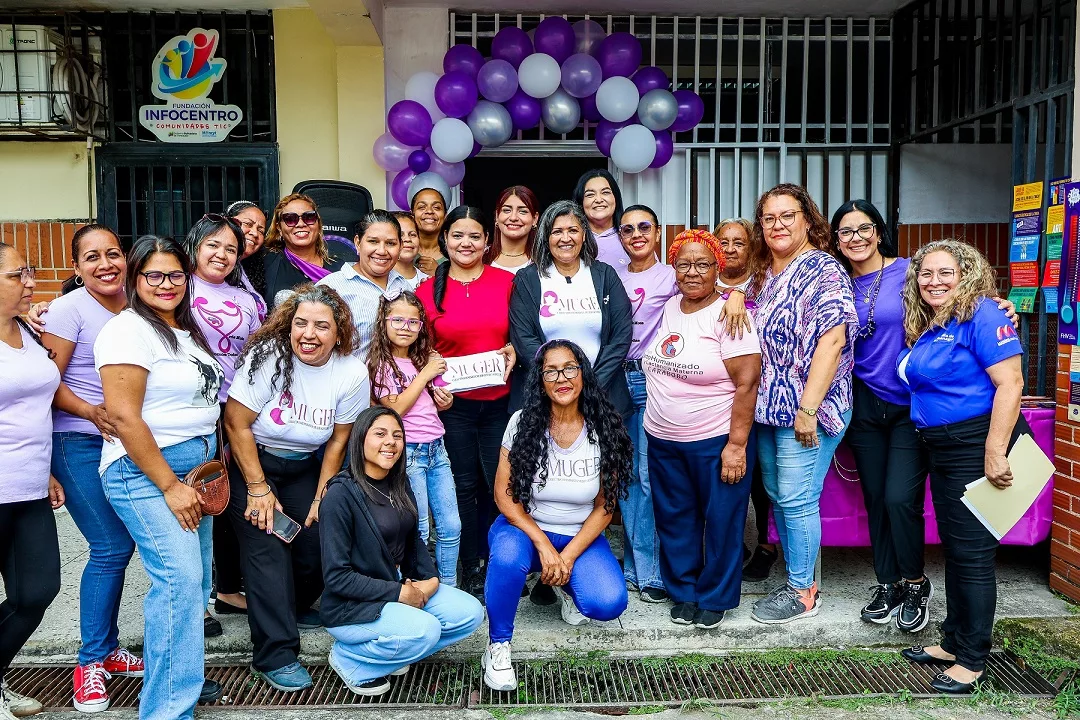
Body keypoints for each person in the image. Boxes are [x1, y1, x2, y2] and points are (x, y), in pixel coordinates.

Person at [94, 235, 224, 718]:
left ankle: (178, 687)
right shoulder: (127, 331)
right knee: (180, 581)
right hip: (149, 471)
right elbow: (126, 418)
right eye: (154, 275)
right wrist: (170, 485)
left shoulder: (183, 330)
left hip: (196, 469)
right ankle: (167, 711)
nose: (167, 284)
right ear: (134, 279)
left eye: (175, 275)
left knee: (195, 582)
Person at [224, 284, 369, 693]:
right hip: (254, 462)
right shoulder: (267, 357)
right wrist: (256, 487)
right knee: (268, 548)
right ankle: (275, 653)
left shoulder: (351, 372)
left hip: (306, 465)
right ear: (288, 326)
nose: (309, 333)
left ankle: (295, 605)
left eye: (322, 326)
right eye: (301, 323)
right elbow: (236, 424)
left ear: (338, 333)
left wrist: (323, 495)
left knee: (319, 538)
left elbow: (340, 439)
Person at [898, 240, 1026, 693]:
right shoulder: (936, 323)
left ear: (966, 273)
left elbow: (1010, 383)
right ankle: (953, 641)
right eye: (926, 274)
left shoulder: (984, 314)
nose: (934, 281)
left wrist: (995, 451)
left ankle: (973, 659)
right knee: (955, 548)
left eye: (945, 272)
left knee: (972, 555)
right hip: (941, 448)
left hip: (973, 447)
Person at [482, 340, 631, 692]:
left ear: (583, 374)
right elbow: (504, 494)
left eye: (569, 368)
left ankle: (566, 585)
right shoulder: (522, 423)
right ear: (541, 380)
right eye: (551, 370)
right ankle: (497, 645)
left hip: (577, 534)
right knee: (506, 558)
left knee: (607, 603)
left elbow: (605, 507)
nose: (561, 378)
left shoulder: (604, 427)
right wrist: (544, 546)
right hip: (525, 529)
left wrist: (567, 555)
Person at [41, 225, 144, 712]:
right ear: (77, 267)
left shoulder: (138, 301)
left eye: (114, 254)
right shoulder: (68, 308)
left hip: (125, 442)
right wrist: (88, 412)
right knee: (110, 544)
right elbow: (47, 380)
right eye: (92, 257)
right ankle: (89, 663)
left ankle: (107, 647)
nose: (106, 264)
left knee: (121, 547)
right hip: (77, 440)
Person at [747, 184, 856, 625]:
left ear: (808, 220)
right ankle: (797, 580)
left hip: (810, 409)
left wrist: (808, 408)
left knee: (797, 498)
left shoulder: (823, 269)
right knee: (780, 496)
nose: (777, 225)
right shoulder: (769, 273)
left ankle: (803, 592)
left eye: (787, 216)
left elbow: (833, 339)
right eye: (769, 218)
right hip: (772, 409)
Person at [320, 407, 485, 697]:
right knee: (426, 630)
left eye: (397, 435)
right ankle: (351, 661)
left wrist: (431, 579)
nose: (391, 442)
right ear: (360, 440)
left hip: (393, 590)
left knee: (470, 613)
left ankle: (392, 654)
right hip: (351, 607)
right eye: (380, 434)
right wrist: (399, 594)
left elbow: (414, 543)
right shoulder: (340, 494)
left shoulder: (398, 483)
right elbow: (337, 577)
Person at [643, 230, 761, 629]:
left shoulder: (731, 315)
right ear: (673, 268)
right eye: (684, 264)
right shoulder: (670, 307)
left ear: (717, 268)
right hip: (662, 438)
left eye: (703, 264)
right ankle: (684, 590)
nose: (692, 272)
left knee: (723, 519)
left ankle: (716, 596)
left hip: (714, 439)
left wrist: (737, 445)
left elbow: (747, 384)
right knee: (675, 517)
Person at [828, 200, 933, 630]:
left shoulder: (910, 270)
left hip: (910, 403)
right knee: (875, 499)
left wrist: (997, 305)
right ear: (836, 240)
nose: (855, 238)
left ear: (879, 231)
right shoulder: (834, 281)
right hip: (864, 400)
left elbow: (954, 297)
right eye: (845, 231)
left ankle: (915, 583)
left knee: (898, 498)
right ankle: (887, 582)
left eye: (863, 228)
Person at [416, 206, 517, 600]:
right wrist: (431, 387)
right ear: (445, 239)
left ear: (487, 241)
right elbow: (417, 350)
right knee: (463, 484)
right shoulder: (426, 290)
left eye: (475, 236)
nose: (466, 243)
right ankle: (470, 564)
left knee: (501, 483)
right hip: (450, 405)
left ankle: (501, 561)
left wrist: (513, 349)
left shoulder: (506, 282)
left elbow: (523, 332)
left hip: (499, 403)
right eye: (458, 235)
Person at [185, 213, 263, 635]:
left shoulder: (246, 299)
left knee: (225, 504)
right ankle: (194, 604)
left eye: (231, 248)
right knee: (193, 506)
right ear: (195, 244)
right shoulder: (177, 288)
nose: (221, 254)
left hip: (234, 415)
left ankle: (226, 587)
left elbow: (254, 356)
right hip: (189, 416)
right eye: (212, 244)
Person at [0, 244, 63, 720]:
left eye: (28, 270)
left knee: (35, 593)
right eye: (15, 274)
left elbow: (35, 407)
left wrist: (47, 471)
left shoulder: (27, 328)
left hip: (30, 488)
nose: (28, 281)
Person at [509, 199, 633, 421]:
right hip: (545, 399)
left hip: (603, 397)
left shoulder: (605, 275)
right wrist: (558, 381)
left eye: (573, 230)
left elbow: (621, 337)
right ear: (547, 237)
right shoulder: (528, 280)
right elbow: (523, 339)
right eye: (557, 231)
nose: (565, 238)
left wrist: (590, 386)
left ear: (584, 235)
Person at [368, 292, 459, 586]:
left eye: (413, 321)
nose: (405, 327)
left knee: (451, 525)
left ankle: (448, 586)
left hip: (437, 449)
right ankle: (415, 586)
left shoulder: (422, 361)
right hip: (408, 454)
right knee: (417, 527)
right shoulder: (381, 363)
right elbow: (394, 409)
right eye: (397, 320)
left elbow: (426, 403)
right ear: (383, 322)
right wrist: (425, 376)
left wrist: (443, 401)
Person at [614, 204, 676, 603]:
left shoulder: (672, 275)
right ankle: (633, 567)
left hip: (654, 377)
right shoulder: (610, 277)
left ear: (657, 233)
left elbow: (711, 296)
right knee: (625, 476)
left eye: (643, 227)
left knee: (649, 475)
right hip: (615, 378)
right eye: (627, 229)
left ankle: (649, 571)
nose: (635, 233)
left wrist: (736, 297)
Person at [714, 217, 778, 583]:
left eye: (739, 242)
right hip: (715, 401)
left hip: (762, 395)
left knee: (762, 478)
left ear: (751, 246)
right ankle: (729, 547)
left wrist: (740, 294)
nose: (731, 248)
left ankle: (768, 547)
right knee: (725, 476)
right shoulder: (702, 281)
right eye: (724, 242)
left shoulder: (764, 284)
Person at [317, 210, 411, 362]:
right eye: (373, 241)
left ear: (400, 247)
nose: (381, 251)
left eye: (391, 243)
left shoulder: (404, 287)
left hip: (401, 384)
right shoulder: (332, 288)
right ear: (357, 243)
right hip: (351, 385)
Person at [262, 194, 357, 309]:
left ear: (318, 224)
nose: (301, 224)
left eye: (309, 217)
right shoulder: (266, 264)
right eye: (290, 219)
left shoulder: (340, 268)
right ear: (279, 229)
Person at [573, 169, 628, 268]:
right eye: (590, 195)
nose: (598, 200)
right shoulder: (572, 239)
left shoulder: (631, 237)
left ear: (616, 198)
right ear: (581, 202)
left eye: (605, 192)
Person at [227, 200, 269, 322]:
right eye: (247, 224)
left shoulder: (246, 272)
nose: (255, 233)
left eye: (261, 231)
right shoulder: (211, 268)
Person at [486, 185, 539, 274]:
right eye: (506, 210)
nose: (513, 217)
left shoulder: (544, 261)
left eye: (523, 211)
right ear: (496, 216)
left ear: (535, 219)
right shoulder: (480, 256)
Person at [411, 186, 448, 275]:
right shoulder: (402, 250)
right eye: (422, 207)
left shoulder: (455, 253)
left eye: (436, 207)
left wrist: (438, 274)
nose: (429, 211)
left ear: (445, 215)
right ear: (412, 215)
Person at [391, 212, 429, 289]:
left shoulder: (428, 281)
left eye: (412, 235)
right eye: (400, 235)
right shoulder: (381, 279)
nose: (407, 239)